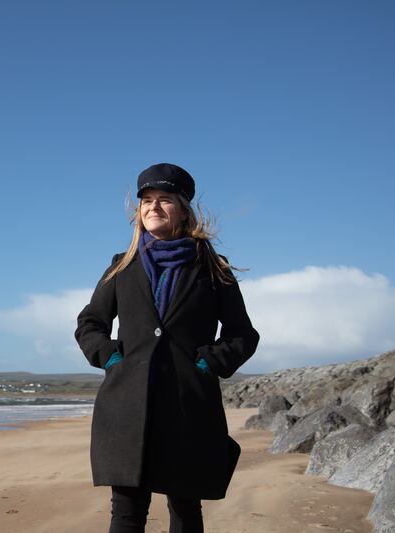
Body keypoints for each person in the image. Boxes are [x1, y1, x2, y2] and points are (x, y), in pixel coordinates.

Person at [75, 163, 260, 533]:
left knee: (185, 510)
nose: (153, 207)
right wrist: (112, 358)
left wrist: (207, 364)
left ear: (184, 209)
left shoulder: (213, 268)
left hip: (187, 406)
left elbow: (243, 334)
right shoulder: (121, 267)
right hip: (127, 408)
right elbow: (89, 324)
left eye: (164, 200)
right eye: (146, 201)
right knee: (126, 513)